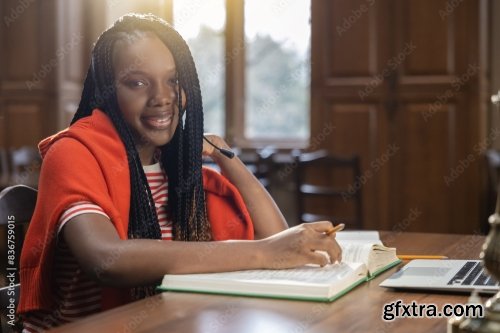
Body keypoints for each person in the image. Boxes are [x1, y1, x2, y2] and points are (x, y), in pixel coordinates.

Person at [18, 13, 342, 331]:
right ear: (107, 91)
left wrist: (225, 156)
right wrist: (265, 253)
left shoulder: (176, 167)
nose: (162, 98)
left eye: (173, 80)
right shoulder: (75, 152)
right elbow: (106, 259)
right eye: (137, 83)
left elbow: (273, 236)